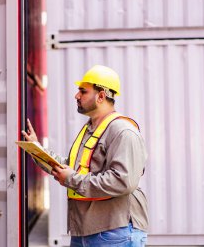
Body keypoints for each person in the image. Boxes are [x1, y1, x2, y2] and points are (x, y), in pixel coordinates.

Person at [22, 65, 148, 247]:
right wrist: (36, 149)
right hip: (87, 231)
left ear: (101, 96)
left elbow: (123, 181)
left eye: (83, 91)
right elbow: (72, 167)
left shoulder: (123, 132)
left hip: (114, 233)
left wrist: (71, 179)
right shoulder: (91, 129)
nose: (77, 96)